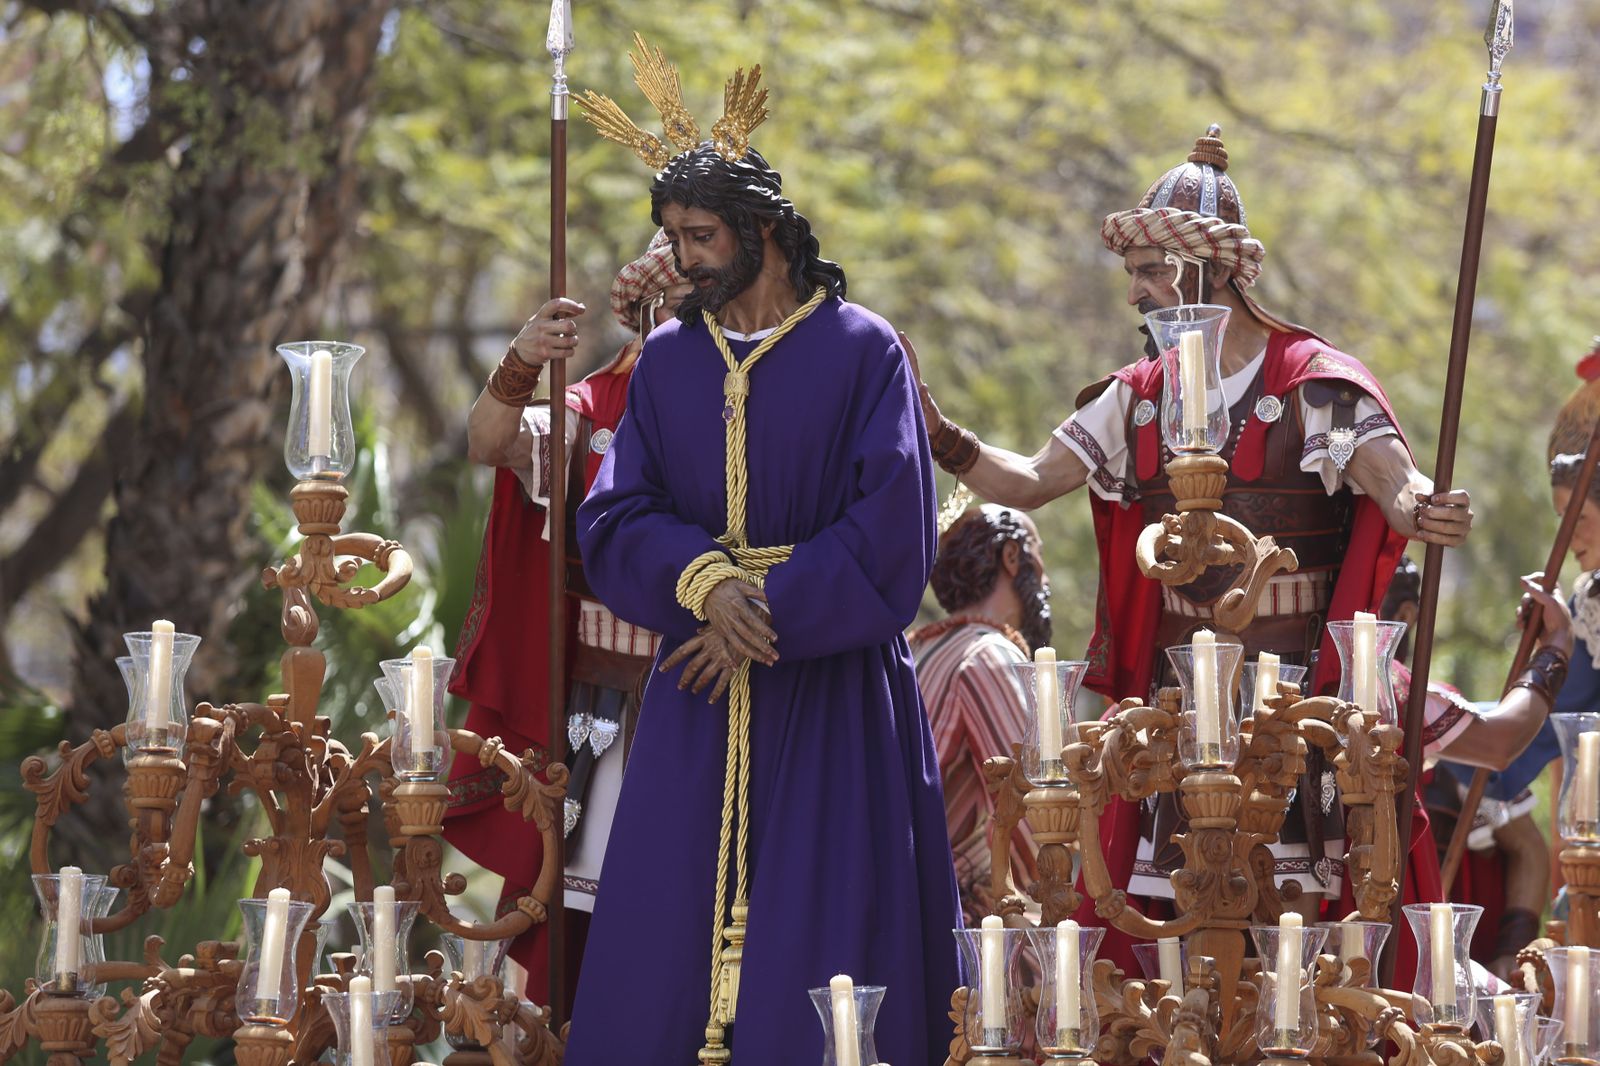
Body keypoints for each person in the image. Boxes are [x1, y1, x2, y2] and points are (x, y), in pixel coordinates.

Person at [905, 126, 1473, 968]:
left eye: (1151, 271)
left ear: (1214, 271)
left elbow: (1397, 482)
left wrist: (1426, 507)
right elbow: (1027, 480)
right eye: (1133, 273)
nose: (1135, 293)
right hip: (1177, 718)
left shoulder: (1312, 381)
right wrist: (940, 430)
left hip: (1295, 721)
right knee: (1178, 947)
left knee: (1298, 944)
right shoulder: (1138, 398)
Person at [562, 40, 959, 1065]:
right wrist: (704, 584)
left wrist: (763, 608)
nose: (682, 258)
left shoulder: (864, 349)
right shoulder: (664, 361)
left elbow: (894, 529)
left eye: (700, 236)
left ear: (762, 231)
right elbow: (613, 513)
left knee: (828, 935)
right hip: (696, 691)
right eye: (673, 237)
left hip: (829, 692)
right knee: (665, 941)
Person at [444, 234, 691, 998]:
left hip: (737, 698)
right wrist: (523, 360)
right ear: (648, 315)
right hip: (612, 711)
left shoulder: (765, 405)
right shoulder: (595, 410)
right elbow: (491, 441)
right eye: (685, 307)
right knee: (601, 926)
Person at [909, 505, 1051, 923]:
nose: (1045, 581)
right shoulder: (988, 655)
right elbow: (1033, 816)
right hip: (951, 922)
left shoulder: (915, 651)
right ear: (1012, 557)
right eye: (1039, 558)